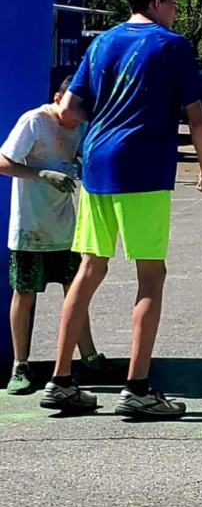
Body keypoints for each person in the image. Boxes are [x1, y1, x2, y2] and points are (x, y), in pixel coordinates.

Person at [42, 0, 202, 416]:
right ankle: (137, 387)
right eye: (172, 2)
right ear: (156, 2)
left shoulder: (102, 42)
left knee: (89, 269)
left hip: (97, 165)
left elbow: (69, 109)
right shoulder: (171, 45)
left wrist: (108, 115)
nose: (175, 11)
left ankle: (60, 379)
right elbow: (197, 119)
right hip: (143, 169)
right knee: (151, 275)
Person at [1, 77, 122, 394]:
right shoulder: (34, 121)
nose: (78, 117)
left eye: (84, 111)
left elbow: (85, 156)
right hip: (30, 228)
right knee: (25, 293)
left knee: (75, 291)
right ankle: (20, 366)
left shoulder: (81, 126)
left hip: (66, 228)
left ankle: (89, 358)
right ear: (58, 98)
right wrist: (41, 173)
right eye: (74, 107)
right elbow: (3, 162)